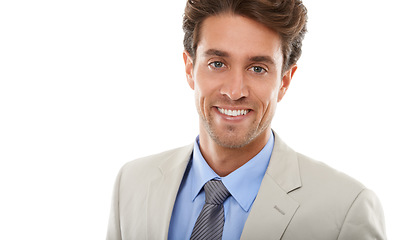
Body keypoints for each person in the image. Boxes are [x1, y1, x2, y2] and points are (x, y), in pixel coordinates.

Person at [106, 0, 386, 239]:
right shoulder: (131, 184)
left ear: (285, 81)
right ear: (190, 69)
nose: (234, 91)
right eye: (217, 63)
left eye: (257, 68)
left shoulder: (346, 210)